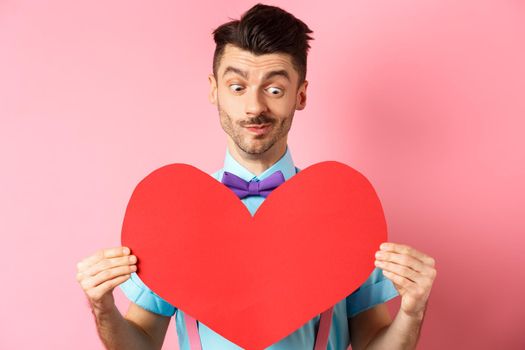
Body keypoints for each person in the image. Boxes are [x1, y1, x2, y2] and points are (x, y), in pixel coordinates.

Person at [76, 3, 437, 349]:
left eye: (275, 88)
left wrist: (411, 312)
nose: (255, 107)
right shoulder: (175, 212)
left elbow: (374, 345)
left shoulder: (345, 211)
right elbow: (141, 343)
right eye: (237, 87)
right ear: (214, 90)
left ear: (301, 94)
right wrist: (103, 308)